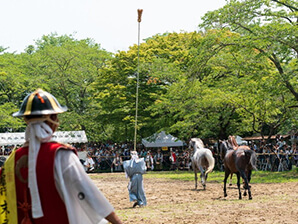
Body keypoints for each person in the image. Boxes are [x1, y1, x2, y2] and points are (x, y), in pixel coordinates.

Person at [0, 89, 122, 224]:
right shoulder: (61, 154)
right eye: (56, 116)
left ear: (25, 119)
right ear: (52, 119)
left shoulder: (11, 161)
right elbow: (89, 194)